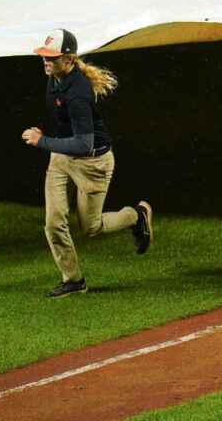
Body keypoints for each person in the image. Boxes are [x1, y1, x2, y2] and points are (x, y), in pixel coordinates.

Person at [22, 28, 153, 298]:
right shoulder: (55, 75)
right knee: (53, 222)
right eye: (43, 57)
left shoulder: (78, 92)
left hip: (93, 163)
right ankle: (73, 280)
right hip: (61, 158)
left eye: (52, 58)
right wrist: (51, 142)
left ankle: (136, 216)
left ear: (69, 59)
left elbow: (84, 144)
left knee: (90, 228)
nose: (45, 62)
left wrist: (42, 141)